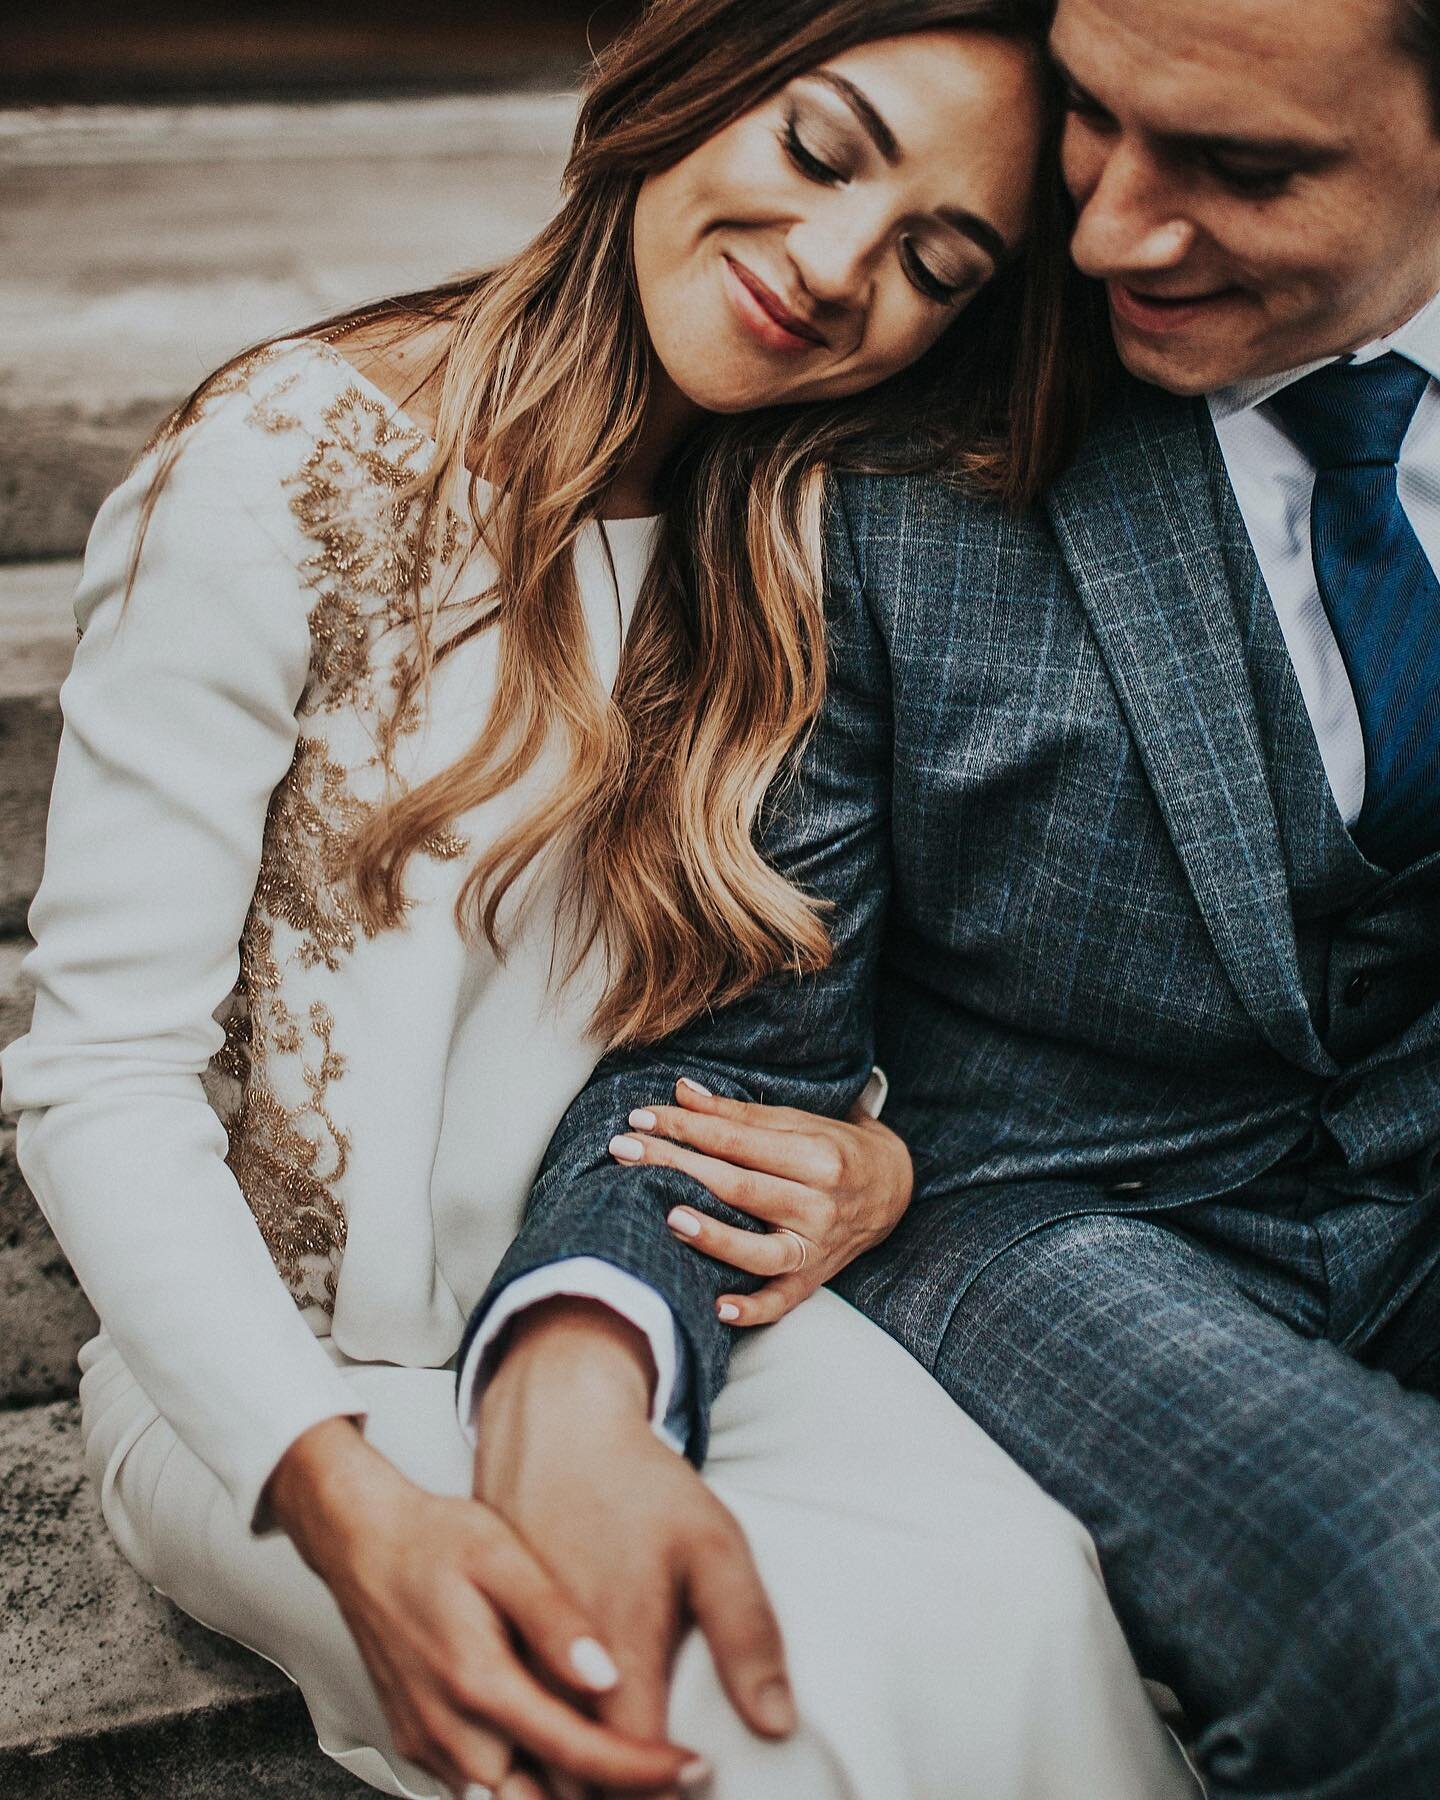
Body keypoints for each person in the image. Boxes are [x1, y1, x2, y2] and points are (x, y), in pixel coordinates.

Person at [0, 2, 1201, 1797]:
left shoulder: (813, 526)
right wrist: (345, 1505)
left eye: (937, 262)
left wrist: (877, 1158)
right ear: (684, 82)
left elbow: (803, 1014)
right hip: (280, 1387)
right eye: (818, 149)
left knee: (1026, 1606)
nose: (831, 266)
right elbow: (97, 1078)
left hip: (664, 1317)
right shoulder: (284, 466)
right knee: (693, 1709)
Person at [460, 0, 1440, 1795]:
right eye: (1094, 120)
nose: (1110, 231)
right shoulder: (883, 462)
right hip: (1033, 1225)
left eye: (1239, 166)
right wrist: (573, 1378)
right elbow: (737, 1061)